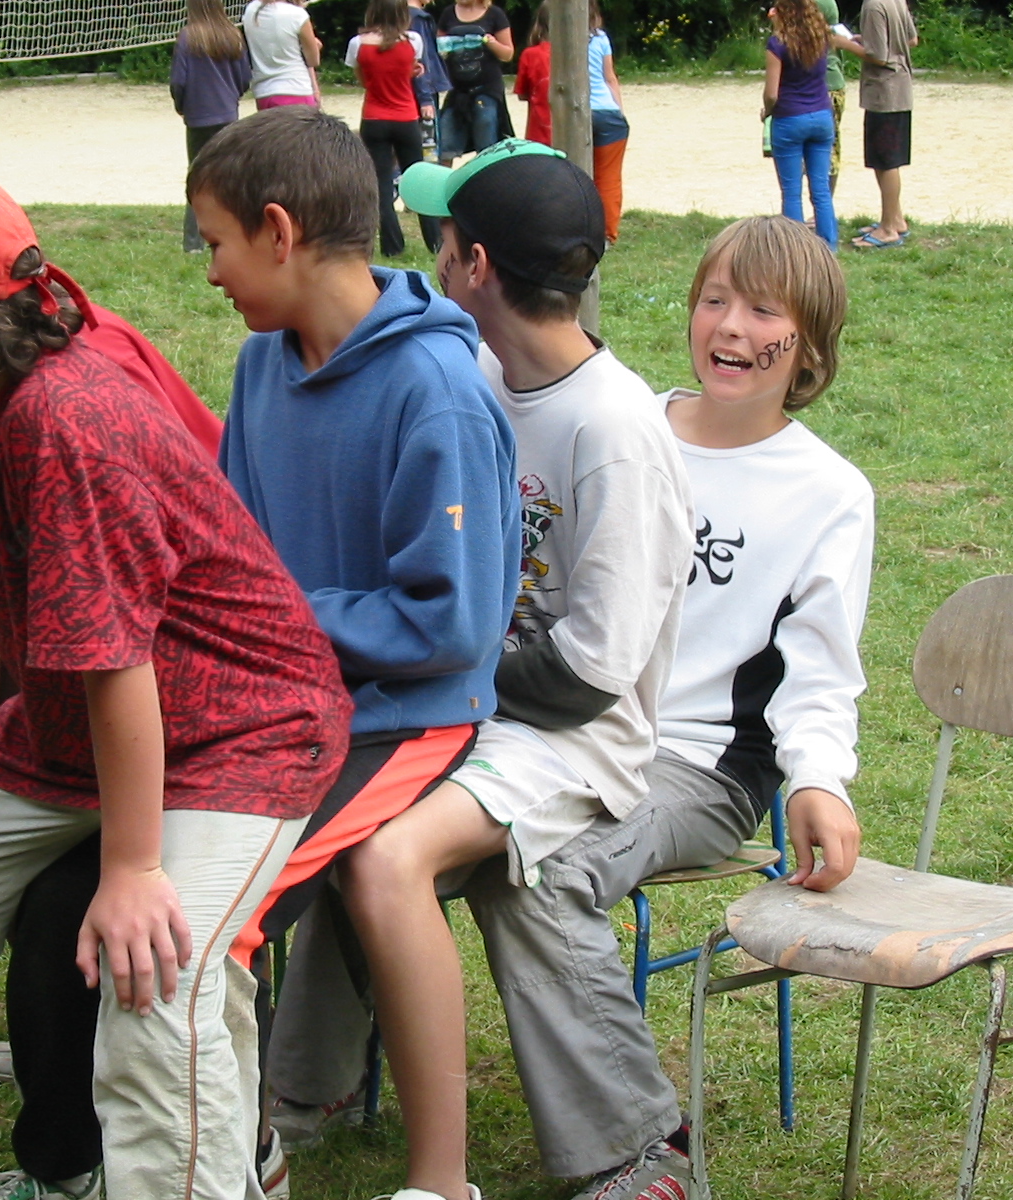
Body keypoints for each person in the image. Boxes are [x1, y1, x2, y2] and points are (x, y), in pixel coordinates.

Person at [0, 169, 352, 1200]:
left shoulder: (66, 420)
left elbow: (116, 665)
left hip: (242, 731)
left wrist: (132, 870)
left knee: (152, 974)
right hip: (69, 728)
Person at [266, 137, 691, 1200]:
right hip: (462, 703)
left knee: (385, 849)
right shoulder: (476, 376)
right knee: (328, 803)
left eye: (441, 238)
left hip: (567, 739)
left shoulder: (614, 427)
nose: (430, 255)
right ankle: (294, 1090)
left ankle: (459, 1174)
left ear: (476, 265)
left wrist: (446, 660)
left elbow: (594, 671)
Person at [463, 213, 869, 1200]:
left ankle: (640, 1151)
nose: (730, 326)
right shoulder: (621, 423)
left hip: (694, 766)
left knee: (538, 870)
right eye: (714, 300)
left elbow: (820, 670)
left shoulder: (828, 492)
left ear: (808, 344)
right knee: (378, 812)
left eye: (762, 311)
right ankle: (310, 1088)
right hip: (548, 722)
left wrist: (819, 779)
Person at [191, 107, 521, 1200]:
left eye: (216, 244)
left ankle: (415, 1179)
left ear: (278, 233)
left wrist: (279, 611)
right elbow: (236, 554)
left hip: (406, 717)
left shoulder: (437, 391)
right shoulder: (262, 362)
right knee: (123, 868)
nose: (210, 273)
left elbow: (452, 628)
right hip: (281, 703)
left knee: (214, 922)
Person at [347, 0, 443, 256]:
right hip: (405, 117)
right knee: (418, 179)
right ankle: (435, 241)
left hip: (374, 118)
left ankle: (392, 247)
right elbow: (408, 71)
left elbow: (364, 80)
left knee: (381, 184)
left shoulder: (358, 44)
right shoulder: (413, 40)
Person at [171, 0, 253, 252]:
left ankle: (193, 243)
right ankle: (231, 237)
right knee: (228, 179)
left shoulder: (188, 38)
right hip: (227, 115)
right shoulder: (232, 35)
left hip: (198, 118)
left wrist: (182, 106)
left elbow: (178, 82)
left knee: (197, 179)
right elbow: (245, 77)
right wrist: (231, 97)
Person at [841, 0, 917, 248]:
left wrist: (844, 44)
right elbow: (911, 40)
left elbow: (879, 57)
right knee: (887, 159)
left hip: (884, 93)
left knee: (886, 162)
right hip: (901, 87)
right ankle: (895, 219)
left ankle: (887, 230)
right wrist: (869, 39)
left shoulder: (872, 6)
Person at [763, 0, 838, 248]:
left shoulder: (777, 44)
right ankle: (829, 246)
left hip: (790, 118)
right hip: (822, 116)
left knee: (791, 191)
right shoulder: (821, 38)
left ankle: (796, 250)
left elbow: (772, 94)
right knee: (821, 189)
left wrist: (767, 112)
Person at [435, 0, 514, 163]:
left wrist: (492, 43)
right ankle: (443, 178)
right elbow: (439, 47)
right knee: (445, 143)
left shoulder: (495, 14)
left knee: (487, 144)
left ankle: (487, 177)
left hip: (487, 88)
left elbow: (508, 54)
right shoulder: (448, 13)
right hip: (457, 90)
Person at [587, 4, 628, 246]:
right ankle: (607, 234)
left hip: (577, 114)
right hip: (606, 111)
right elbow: (609, 78)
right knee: (609, 179)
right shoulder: (600, 38)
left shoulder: (554, 41)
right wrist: (619, 111)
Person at [242, 0, 322, 110]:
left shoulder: (250, 10)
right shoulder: (297, 15)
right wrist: (315, 46)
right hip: (296, 89)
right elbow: (313, 60)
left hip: (263, 93)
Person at [407, 0, 451, 156]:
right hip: (422, 90)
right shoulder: (418, 19)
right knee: (428, 147)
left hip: (401, 88)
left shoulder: (392, 14)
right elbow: (421, 60)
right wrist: (425, 98)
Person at [816, 0, 848, 192]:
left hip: (825, 84)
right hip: (832, 83)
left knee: (826, 147)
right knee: (829, 146)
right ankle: (824, 202)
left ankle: (824, 200)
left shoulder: (821, 3)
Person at [513, 2, 552, 145]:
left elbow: (522, 94)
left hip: (538, 135)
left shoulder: (530, 55)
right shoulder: (579, 54)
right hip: (574, 133)